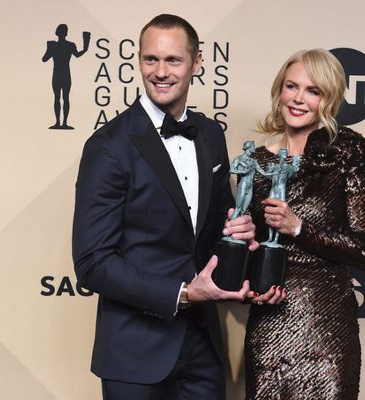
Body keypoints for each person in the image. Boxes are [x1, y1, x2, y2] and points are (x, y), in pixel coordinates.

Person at [72, 14, 258, 400]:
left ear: (196, 63)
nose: (160, 72)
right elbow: (92, 262)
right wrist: (184, 293)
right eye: (150, 60)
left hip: (203, 348)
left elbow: (217, 227)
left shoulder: (210, 134)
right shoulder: (108, 146)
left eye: (173, 60)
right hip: (134, 354)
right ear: (139, 62)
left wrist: (240, 235)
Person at [243, 49, 365, 399]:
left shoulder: (348, 151)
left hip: (328, 330)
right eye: (291, 86)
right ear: (278, 90)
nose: (298, 98)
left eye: (313, 91)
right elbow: (252, 250)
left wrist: (299, 228)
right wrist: (249, 270)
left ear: (328, 99)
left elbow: (362, 246)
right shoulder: (254, 161)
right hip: (268, 326)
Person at [42, 24, 90, 129]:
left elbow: (44, 59)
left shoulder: (58, 45)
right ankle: (61, 123)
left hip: (60, 74)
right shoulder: (66, 45)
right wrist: (85, 47)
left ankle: (61, 123)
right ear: (66, 33)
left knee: (60, 98)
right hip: (63, 74)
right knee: (63, 98)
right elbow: (45, 59)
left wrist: (49, 48)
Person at [229, 140, 270, 220]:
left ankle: (237, 229)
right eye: (253, 146)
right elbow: (231, 170)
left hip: (250, 186)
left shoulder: (253, 161)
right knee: (238, 209)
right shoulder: (239, 158)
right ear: (249, 147)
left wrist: (273, 173)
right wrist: (242, 171)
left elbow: (262, 172)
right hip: (243, 184)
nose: (254, 148)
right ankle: (230, 229)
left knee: (243, 210)